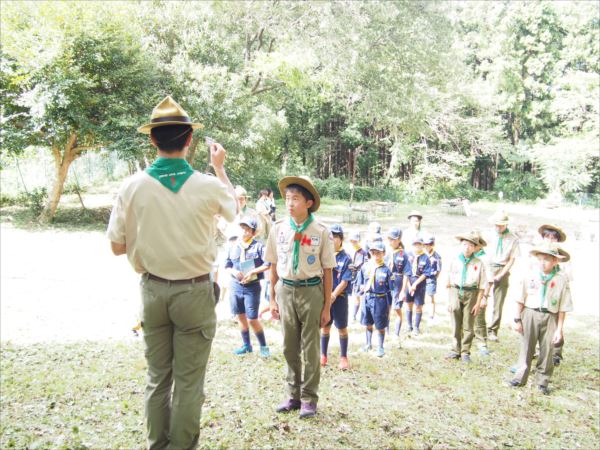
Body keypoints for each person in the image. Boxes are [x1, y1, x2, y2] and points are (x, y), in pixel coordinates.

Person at [107, 96, 237, 450]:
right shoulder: (208, 186)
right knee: (189, 382)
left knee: (157, 380)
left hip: (151, 291)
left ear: (153, 140)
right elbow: (233, 211)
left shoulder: (132, 187)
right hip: (194, 293)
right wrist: (220, 168)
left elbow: (116, 246)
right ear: (189, 140)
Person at [265, 176, 335, 419]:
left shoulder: (321, 231)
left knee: (311, 347)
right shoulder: (278, 228)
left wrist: (327, 305)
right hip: (285, 290)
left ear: (308, 202)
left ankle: (309, 398)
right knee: (288, 346)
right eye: (287, 199)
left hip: (311, 290)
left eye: (295, 199)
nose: (290, 203)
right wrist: (272, 299)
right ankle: (293, 395)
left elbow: (328, 270)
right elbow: (272, 265)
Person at [508, 243, 573, 395]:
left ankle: (542, 381)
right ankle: (520, 377)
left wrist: (559, 329)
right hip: (530, 313)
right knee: (526, 346)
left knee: (547, 349)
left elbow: (563, 306)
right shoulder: (529, 275)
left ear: (555, 261)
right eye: (540, 259)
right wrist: (517, 319)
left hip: (551, 316)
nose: (542, 263)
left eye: (547, 259)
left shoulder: (561, 279)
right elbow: (520, 297)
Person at [225, 216, 271, 357]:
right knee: (241, 316)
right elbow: (227, 265)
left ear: (253, 232)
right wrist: (233, 271)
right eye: (242, 228)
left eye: (247, 229)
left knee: (252, 318)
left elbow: (267, 264)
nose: (244, 232)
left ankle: (263, 346)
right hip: (236, 286)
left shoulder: (259, 246)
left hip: (252, 287)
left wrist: (252, 272)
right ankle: (246, 345)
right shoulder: (233, 246)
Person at [445, 231, 486, 363]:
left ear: (475, 248)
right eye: (464, 244)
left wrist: (478, 303)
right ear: (460, 245)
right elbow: (449, 282)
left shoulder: (478, 263)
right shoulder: (455, 260)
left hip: (471, 293)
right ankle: (455, 349)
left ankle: (465, 352)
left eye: (470, 245)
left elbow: (482, 286)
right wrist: (450, 301)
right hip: (456, 291)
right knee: (456, 322)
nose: (467, 247)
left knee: (468, 323)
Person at [537, 224, 571, 366]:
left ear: (557, 240)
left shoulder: (561, 256)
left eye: (553, 237)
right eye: (547, 237)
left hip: (557, 290)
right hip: (541, 289)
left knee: (557, 322)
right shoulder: (539, 253)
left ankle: (556, 352)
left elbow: (568, 275)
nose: (550, 239)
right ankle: (539, 350)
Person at [320, 224, 352, 370]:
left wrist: (333, 295)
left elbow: (345, 281)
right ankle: (323, 355)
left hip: (339, 298)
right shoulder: (324, 255)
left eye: (336, 237)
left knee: (342, 328)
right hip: (324, 298)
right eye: (330, 237)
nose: (333, 240)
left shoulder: (346, 258)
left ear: (341, 239)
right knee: (325, 326)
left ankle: (343, 357)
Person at [487, 211, 520, 341]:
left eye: (501, 225)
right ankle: (478, 328)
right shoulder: (489, 234)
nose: (498, 227)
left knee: (498, 302)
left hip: (503, 268)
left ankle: (493, 330)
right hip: (489, 266)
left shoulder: (513, 238)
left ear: (506, 224)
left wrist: (501, 274)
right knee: (481, 297)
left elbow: (512, 259)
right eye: (496, 225)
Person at [357, 240, 394, 357]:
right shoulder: (365, 267)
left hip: (380, 299)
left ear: (383, 253)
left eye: (378, 253)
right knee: (368, 322)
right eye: (373, 253)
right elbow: (360, 282)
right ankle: (368, 344)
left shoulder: (386, 270)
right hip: (367, 298)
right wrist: (361, 289)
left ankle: (381, 347)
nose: (376, 255)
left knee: (380, 325)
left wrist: (390, 306)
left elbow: (391, 289)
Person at [386, 227, 410, 347]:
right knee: (387, 308)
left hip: (398, 284)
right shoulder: (387, 253)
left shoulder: (403, 254)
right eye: (389, 239)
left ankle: (396, 333)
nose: (390, 242)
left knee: (397, 309)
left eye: (393, 239)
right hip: (387, 283)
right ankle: (386, 332)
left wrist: (403, 291)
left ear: (399, 240)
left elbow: (406, 273)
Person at [405, 235, 432, 336]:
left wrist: (415, 284)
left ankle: (416, 327)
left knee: (418, 305)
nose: (417, 246)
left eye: (419, 244)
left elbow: (426, 273)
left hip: (420, 283)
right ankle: (409, 325)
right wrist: (408, 285)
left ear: (422, 245)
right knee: (408, 304)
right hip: (408, 280)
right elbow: (405, 271)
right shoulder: (408, 255)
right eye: (415, 244)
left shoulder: (426, 258)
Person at [472, 232, 494, 356]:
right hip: (467, 290)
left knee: (479, 318)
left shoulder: (484, 258)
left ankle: (482, 343)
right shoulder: (467, 256)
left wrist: (485, 296)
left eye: (475, 243)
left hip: (480, 290)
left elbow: (489, 280)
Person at [349, 230, 368, 322]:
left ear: (359, 240)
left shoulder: (363, 253)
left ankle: (354, 316)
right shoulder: (349, 251)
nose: (353, 243)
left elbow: (365, 267)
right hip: (350, 276)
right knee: (351, 296)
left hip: (359, 276)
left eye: (355, 241)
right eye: (352, 241)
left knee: (358, 296)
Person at [423, 233, 442, 321]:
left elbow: (438, 270)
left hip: (431, 278)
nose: (427, 246)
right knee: (420, 297)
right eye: (425, 245)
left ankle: (431, 316)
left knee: (431, 297)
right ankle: (421, 313)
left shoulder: (436, 256)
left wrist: (433, 278)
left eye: (429, 244)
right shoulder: (422, 255)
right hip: (421, 278)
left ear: (432, 245)